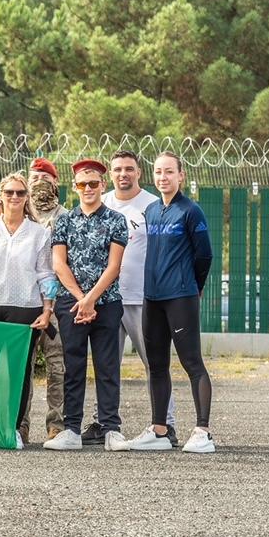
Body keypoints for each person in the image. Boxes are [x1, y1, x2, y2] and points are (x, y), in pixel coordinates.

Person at [128, 152, 216, 454]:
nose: (163, 177)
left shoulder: (191, 211)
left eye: (169, 172)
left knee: (192, 363)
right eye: (158, 172)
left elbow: (204, 255)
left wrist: (195, 287)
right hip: (151, 298)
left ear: (181, 176)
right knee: (156, 365)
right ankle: (159, 430)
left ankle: (203, 431)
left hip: (181, 297)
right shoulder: (151, 211)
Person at [44, 159, 130, 452]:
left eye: (94, 183)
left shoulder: (116, 220)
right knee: (73, 365)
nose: (88, 188)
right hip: (72, 304)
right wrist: (81, 299)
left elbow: (114, 265)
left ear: (102, 185)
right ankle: (71, 428)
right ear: (75, 187)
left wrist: (91, 299)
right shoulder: (65, 220)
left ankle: (110, 428)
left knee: (107, 366)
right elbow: (58, 262)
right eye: (82, 184)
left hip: (106, 302)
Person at [0, 175, 54, 449]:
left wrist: (48, 310)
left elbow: (46, 275)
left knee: (20, 372)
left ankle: (12, 428)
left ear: (26, 198)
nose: (14, 197)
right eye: (9, 192)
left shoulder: (40, 233)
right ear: (0, 196)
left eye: (20, 193)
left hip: (26, 309)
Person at [102, 150, 177, 445]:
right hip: (108, 298)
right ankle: (105, 422)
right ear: (110, 173)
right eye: (118, 169)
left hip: (143, 298)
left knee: (154, 363)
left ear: (139, 173)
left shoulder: (152, 205)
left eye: (129, 169)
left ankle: (165, 424)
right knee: (107, 365)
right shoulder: (103, 203)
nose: (123, 174)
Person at [27, 156, 69, 439]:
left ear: (55, 183)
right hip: (25, 302)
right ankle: (21, 424)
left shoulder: (66, 217)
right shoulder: (18, 216)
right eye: (34, 180)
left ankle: (56, 424)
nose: (39, 184)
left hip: (57, 303)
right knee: (22, 367)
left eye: (45, 179)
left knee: (58, 366)